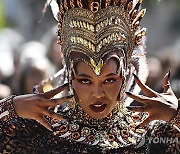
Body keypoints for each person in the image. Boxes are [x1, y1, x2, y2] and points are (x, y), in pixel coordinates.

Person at [0, 0, 179, 153]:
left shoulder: (153, 134)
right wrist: (10, 107)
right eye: (85, 80)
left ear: (125, 74)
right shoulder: (40, 131)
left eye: (109, 80)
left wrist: (177, 115)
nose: (98, 93)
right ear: (70, 75)